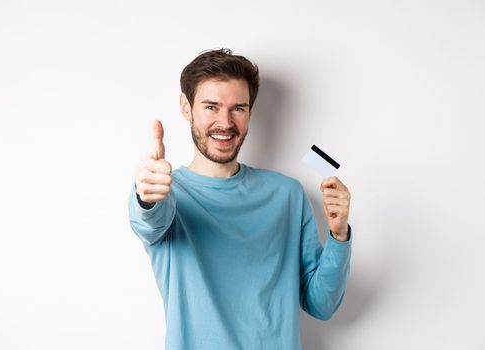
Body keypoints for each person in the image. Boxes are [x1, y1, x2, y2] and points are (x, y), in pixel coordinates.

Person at [128, 48, 352, 349]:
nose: (225, 122)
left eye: (238, 108)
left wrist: (339, 236)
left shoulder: (287, 195)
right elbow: (149, 220)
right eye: (211, 107)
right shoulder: (169, 195)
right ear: (186, 106)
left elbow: (321, 304)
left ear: (250, 112)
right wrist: (147, 197)